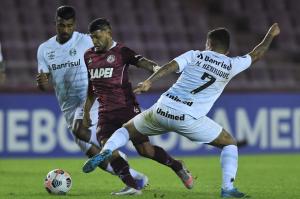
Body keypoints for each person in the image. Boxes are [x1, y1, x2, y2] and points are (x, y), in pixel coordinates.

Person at [83, 23, 280, 198]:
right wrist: (270, 35)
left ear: (208, 44)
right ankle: (227, 189)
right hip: (189, 118)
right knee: (229, 143)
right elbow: (257, 54)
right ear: (226, 51)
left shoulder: (195, 55)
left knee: (126, 129)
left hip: (163, 107)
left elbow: (170, 66)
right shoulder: (231, 64)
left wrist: (149, 82)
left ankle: (107, 150)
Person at [35, 5, 148, 193]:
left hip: (92, 98)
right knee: (95, 156)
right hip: (68, 106)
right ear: (55, 23)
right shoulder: (45, 49)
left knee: (82, 131)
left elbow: (115, 51)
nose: (66, 30)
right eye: (61, 25)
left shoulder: (86, 40)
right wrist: (41, 82)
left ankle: (112, 149)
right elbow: (43, 82)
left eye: (70, 26)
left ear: (75, 24)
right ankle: (135, 177)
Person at [80, 18, 193, 195]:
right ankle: (132, 186)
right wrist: (86, 111)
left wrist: (155, 69)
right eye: (92, 38)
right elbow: (91, 86)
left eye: (97, 36)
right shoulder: (88, 56)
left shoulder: (121, 51)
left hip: (126, 109)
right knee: (108, 149)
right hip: (105, 112)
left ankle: (177, 165)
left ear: (108, 32)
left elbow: (142, 61)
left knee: (145, 150)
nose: (94, 41)